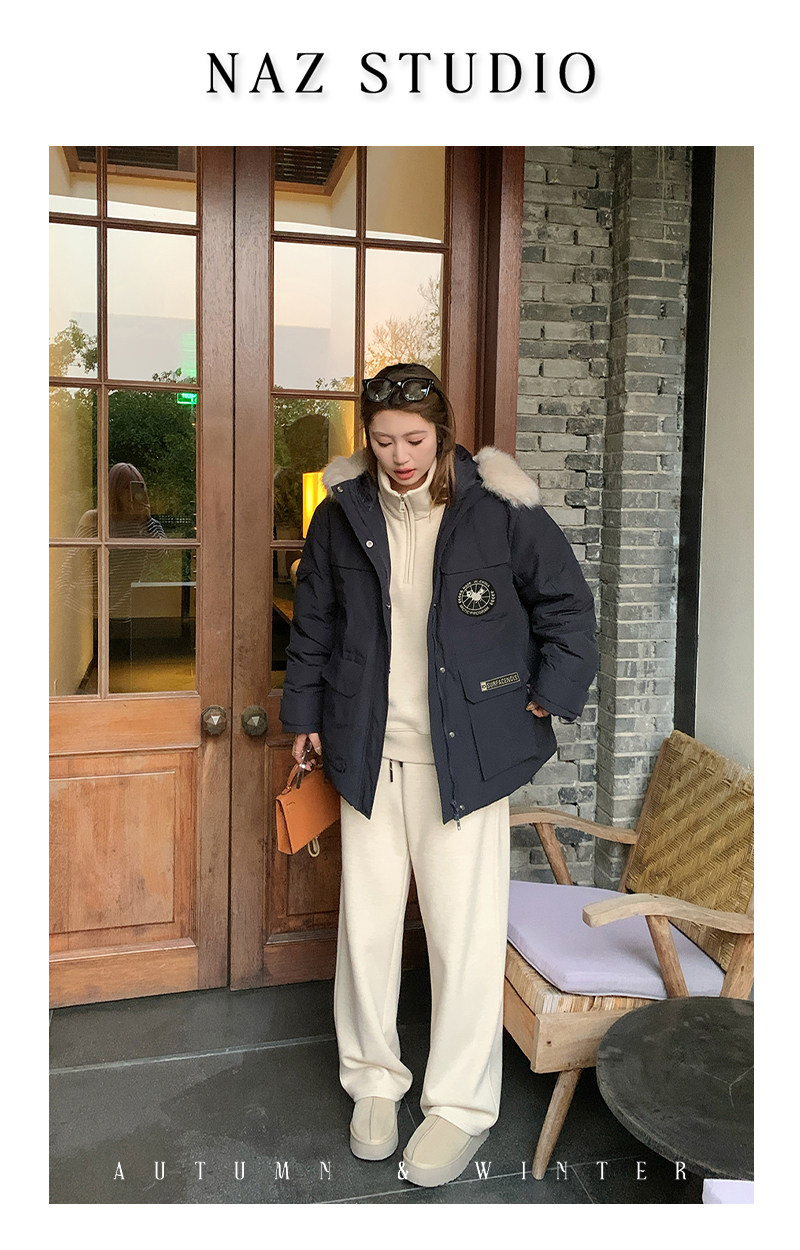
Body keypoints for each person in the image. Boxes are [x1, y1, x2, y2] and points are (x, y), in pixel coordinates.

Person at [279, 362, 598, 1188]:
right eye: (383, 440)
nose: (399, 456)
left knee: (462, 937)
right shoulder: (342, 513)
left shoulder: (499, 509)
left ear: (443, 432)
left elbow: (567, 606)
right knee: (367, 931)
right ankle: (373, 1082)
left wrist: (550, 694)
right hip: (366, 753)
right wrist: (304, 718)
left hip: (467, 760)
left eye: (414, 439)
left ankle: (459, 1105)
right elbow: (314, 623)